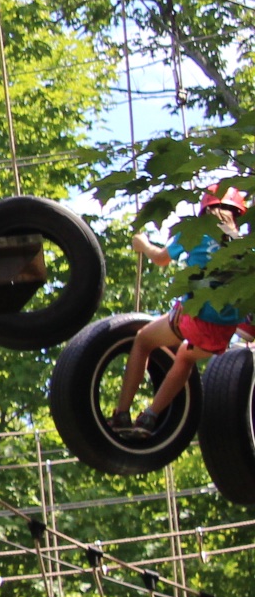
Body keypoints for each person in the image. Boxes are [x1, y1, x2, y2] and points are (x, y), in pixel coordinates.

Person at [115, 186, 251, 436]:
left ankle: (121, 413)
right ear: (237, 214)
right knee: (185, 358)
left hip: (194, 318)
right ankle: (149, 417)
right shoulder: (243, 247)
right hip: (223, 330)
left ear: (205, 209)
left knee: (144, 340)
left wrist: (143, 244)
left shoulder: (194, 233)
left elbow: (161, 258)